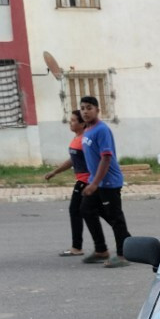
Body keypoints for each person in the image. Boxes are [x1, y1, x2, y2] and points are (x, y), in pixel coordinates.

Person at [44, 110, 106, 257]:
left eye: (73, 121)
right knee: (97, 212)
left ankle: (81, 247)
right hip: (82, 180)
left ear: (82, 123)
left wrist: (95, 181)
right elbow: (72, 160)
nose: (70, 123)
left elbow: (96, 158)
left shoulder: (85, 139)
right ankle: (93, 246)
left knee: (81, 211)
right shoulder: (77, 138)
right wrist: (55, 172)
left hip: (86, 181)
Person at [78, 96, 131, 268]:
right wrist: (91, 181)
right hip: (96, 181)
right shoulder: (87, 129)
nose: (85, 111)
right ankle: (101, 250)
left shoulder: (102, 130)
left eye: (89, 108)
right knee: (86, 209)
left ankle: (124, 255)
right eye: (83, 108)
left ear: (97, 110)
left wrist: (94, 184)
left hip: (109, 182)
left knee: (116, 218)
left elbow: (106, 158)